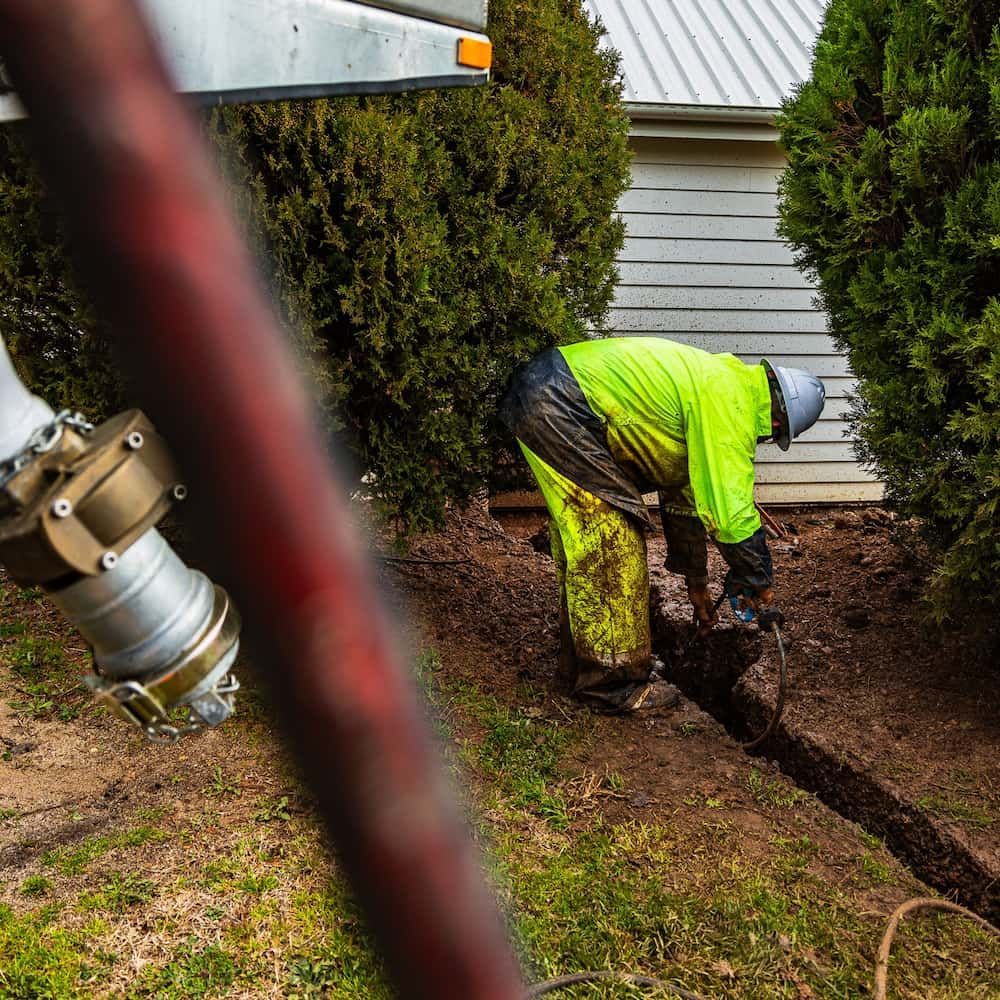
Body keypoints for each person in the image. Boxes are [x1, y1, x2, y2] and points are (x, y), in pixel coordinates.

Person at [499, 336, 825, 712]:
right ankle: (611, 687)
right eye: (772, 435)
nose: (764, 440)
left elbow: (685, 500)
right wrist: (757, 577)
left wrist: (697, 585)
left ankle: (581, 665)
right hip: (562, 404)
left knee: (587, 540)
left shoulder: (717, 386)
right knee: (612, 539)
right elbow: (730, 515)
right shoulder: (730, 401)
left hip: (550, 395)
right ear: (777, 419)